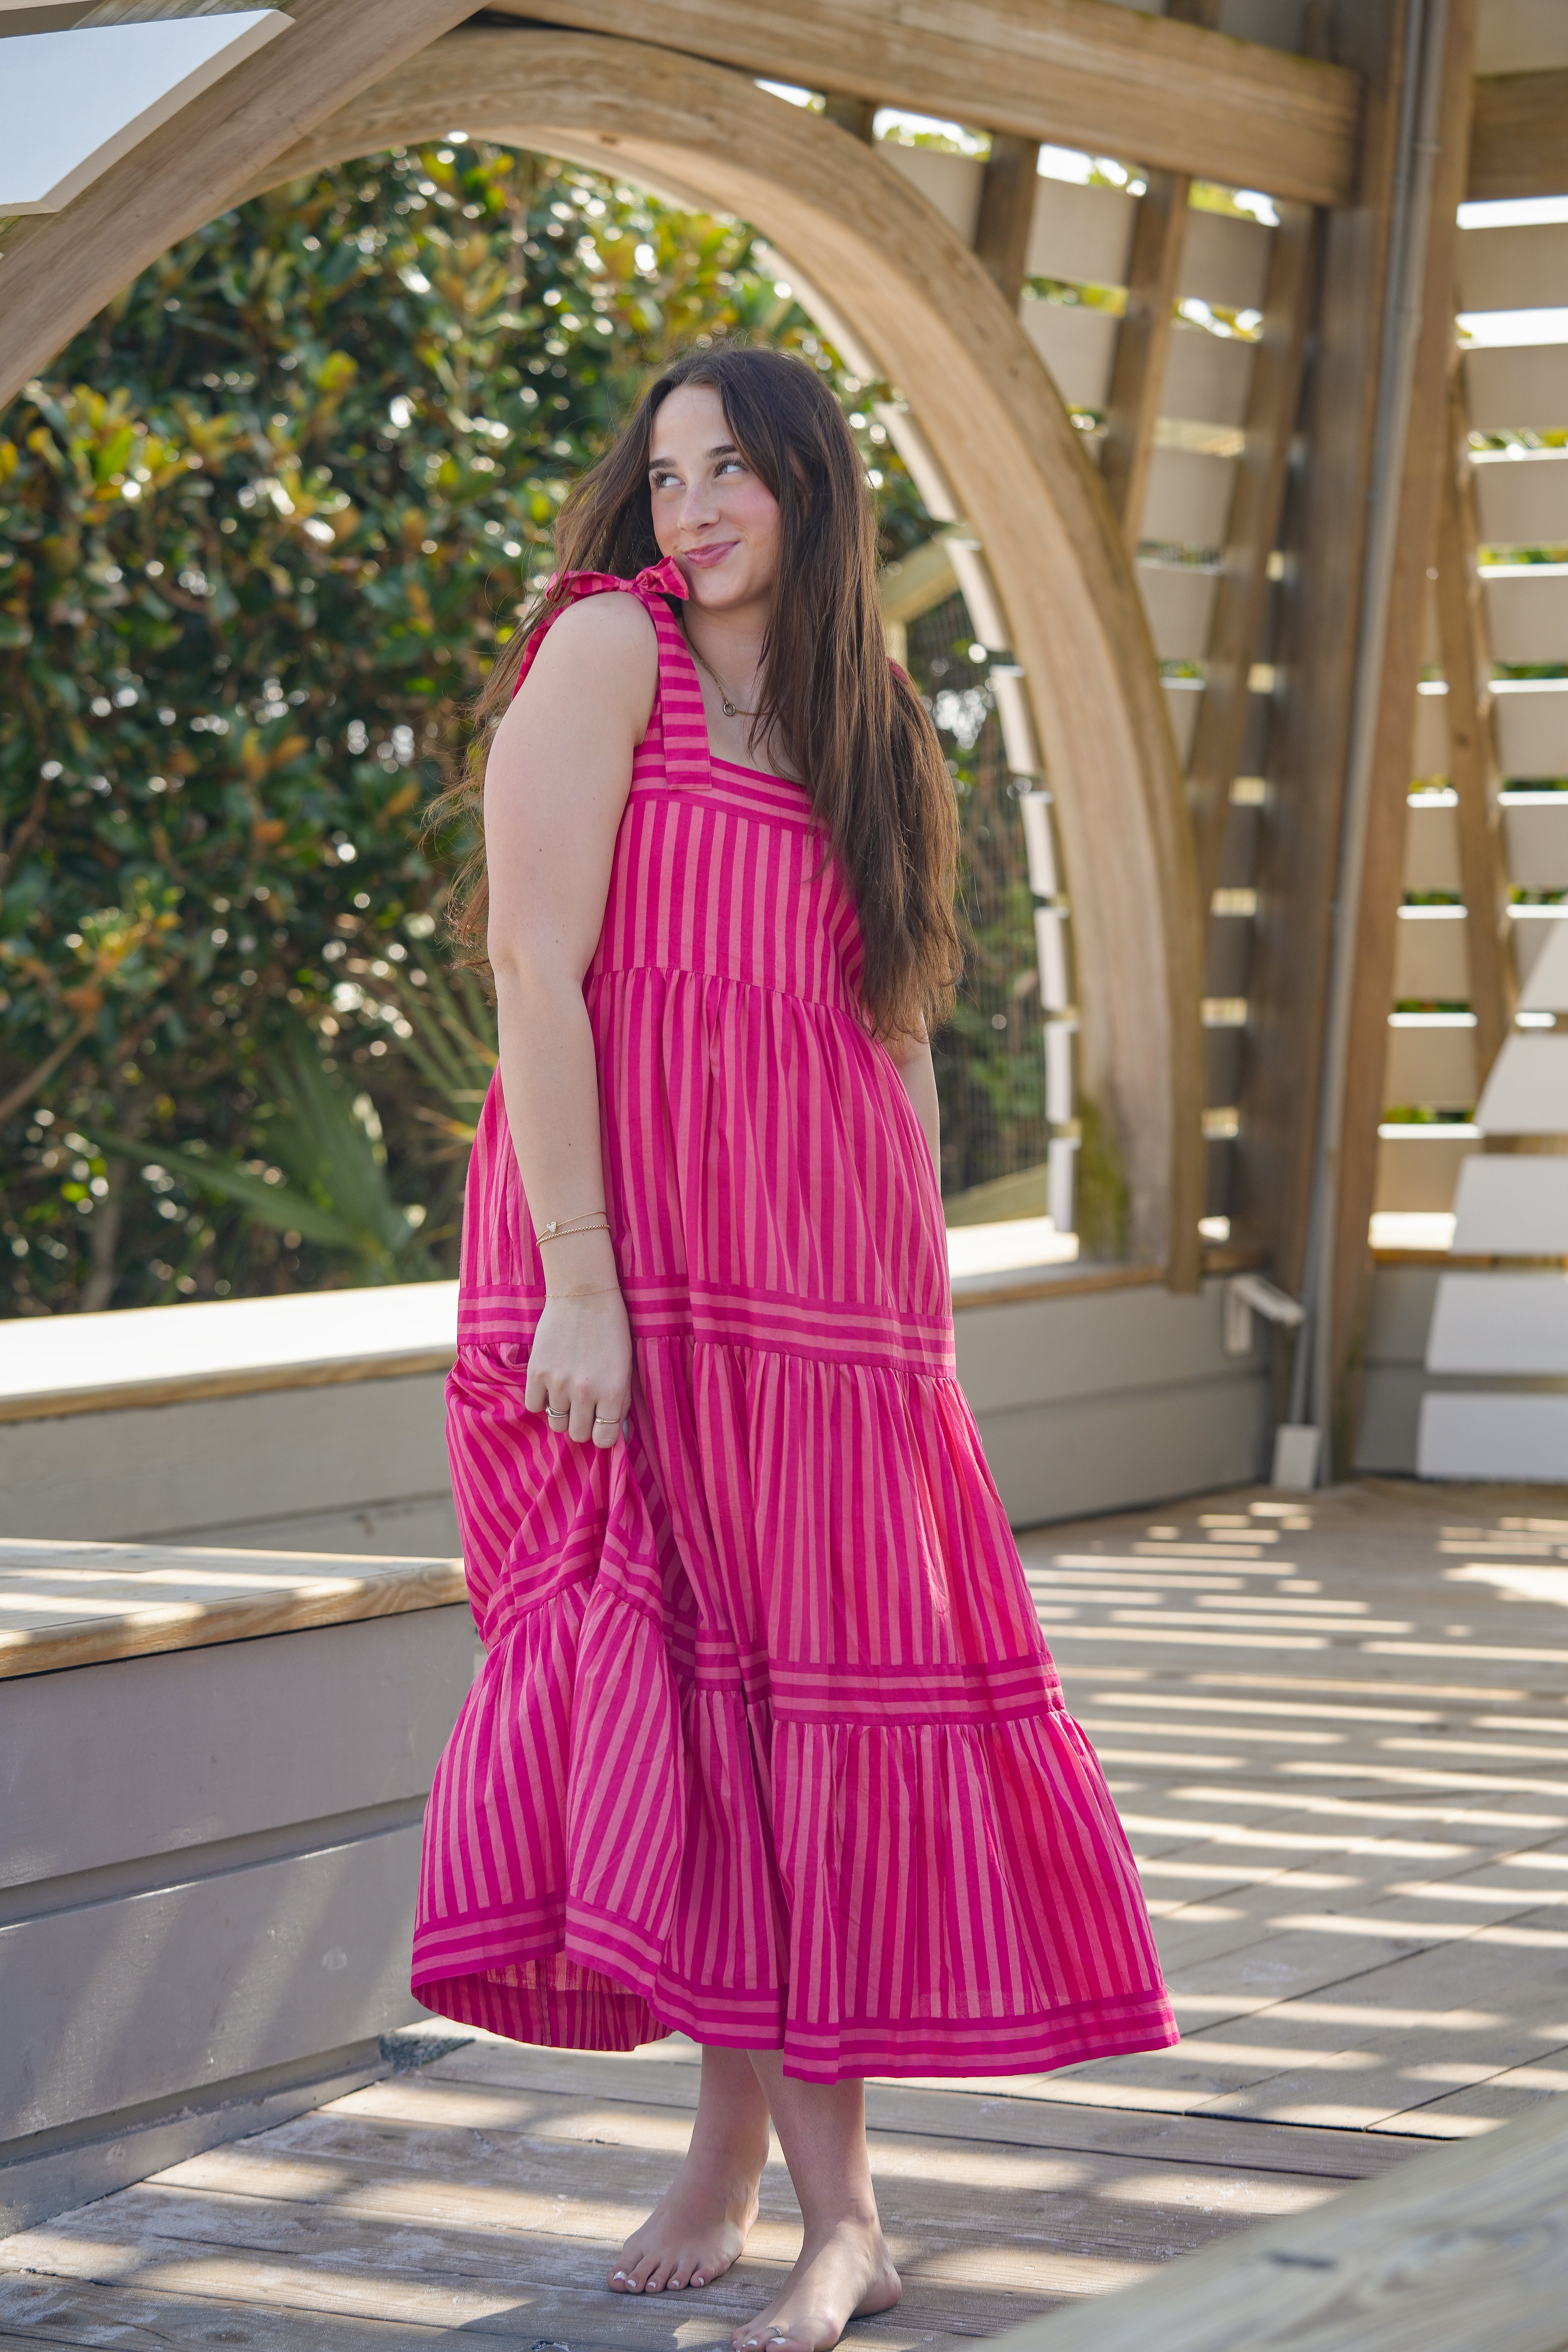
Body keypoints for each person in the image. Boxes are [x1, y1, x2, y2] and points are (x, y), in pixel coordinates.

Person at [412, 341, 1178, 2352]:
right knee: (679, 1680)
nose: (693, 510)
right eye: (665, 474)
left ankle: (811, 2193)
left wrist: (916, 1314)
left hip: (823, 1278)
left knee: (804, 1700)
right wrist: (583, 1279)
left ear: (810, 487)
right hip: (632, 1254)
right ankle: (767, 2163)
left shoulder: (868, 712)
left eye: (732, 470)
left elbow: (894, 1027)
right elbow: (533, 965)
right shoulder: (609, 651)